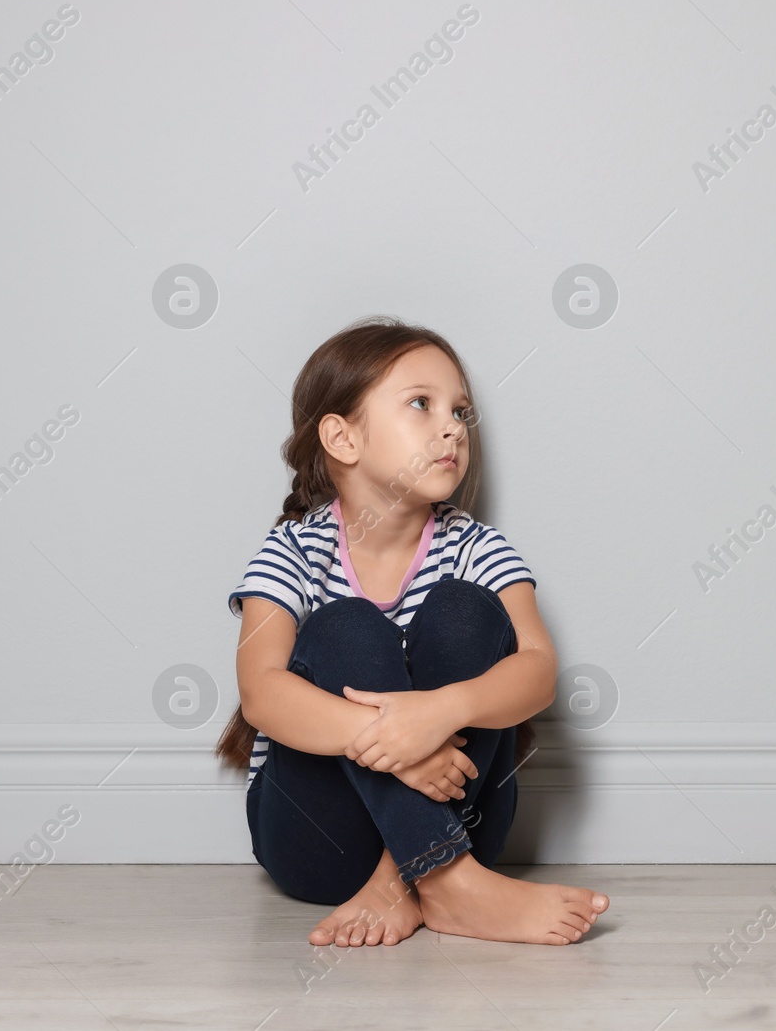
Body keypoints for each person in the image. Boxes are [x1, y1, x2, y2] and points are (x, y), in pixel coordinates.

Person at [215, 315, 610, 947]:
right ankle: (448, 883)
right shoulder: (292, 549)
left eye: (460, 411)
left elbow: (537, 670)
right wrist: (396, 742)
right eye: (421, 406)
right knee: (347, 626)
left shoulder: (479, 549)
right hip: (318, 840)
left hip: (463, 815)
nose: (452, 426)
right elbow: (261, 692)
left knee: (465, 610)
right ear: (342, 439)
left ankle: (422, 878)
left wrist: (438, 714)